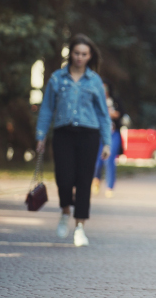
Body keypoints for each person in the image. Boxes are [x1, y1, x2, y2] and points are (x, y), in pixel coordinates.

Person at [36, 34, 111, 247]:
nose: (79, 57)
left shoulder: (94, 81)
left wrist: (107, 142)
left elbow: (103, 114)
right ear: (71, 54)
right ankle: (64, 212)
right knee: (64, 179)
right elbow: (47, 109)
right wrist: (40, 136)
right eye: (76, 53)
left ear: (90, 56)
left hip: (89, 135)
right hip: (63, 135)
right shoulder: (57, 78)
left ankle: (80, 228)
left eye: (84, 54)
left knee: (84, 182)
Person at [92, 80, 125, 198]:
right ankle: (96, 179)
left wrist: (112, 114)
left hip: (113, 133)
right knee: (98, 161)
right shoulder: (95, 100)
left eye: (106, 88)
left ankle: (110, 187)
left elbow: (121, 114)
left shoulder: (115, 101)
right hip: (99, 134)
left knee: (110, 159)